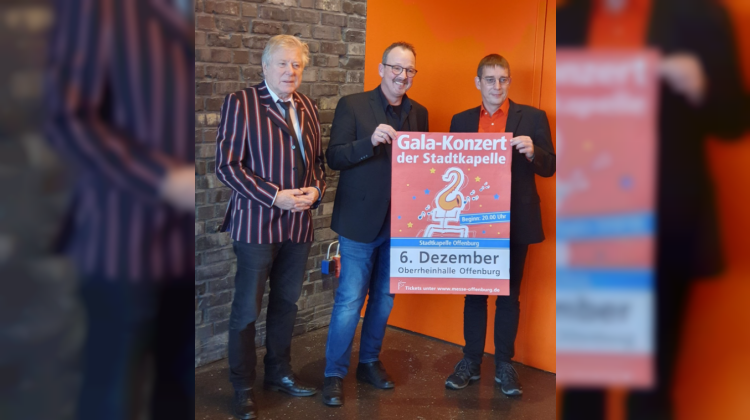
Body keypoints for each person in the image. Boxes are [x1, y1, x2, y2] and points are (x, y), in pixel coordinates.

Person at [558, 0, 748, 418]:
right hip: (589, 221)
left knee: (652, 387)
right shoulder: (567, 21)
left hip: (665, 223)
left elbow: (735, 119)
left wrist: (703, 85)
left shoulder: (698, 16)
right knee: (584, 383)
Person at [45, 1, 195, 419]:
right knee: (113, 395)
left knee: (179, 395)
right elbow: (68, 118)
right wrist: (163, 179)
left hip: (185, 251)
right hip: (121, 242)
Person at [215, 34, 326, 420]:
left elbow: (318, 164)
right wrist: (274, 195)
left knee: (286, 305)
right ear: (265, 66)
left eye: (296, 64)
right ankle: (243, 387)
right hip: (255, 225)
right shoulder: (241, 103)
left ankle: (278, 373)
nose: (290, 71)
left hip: (298, 226)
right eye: (282, 63)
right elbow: (226, 166)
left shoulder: (308, 106)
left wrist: (316, 190)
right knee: (247, 310)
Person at [321, 42, 429, 407]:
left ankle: (368, 362)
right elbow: (334, 157)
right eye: (396, 67)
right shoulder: (352, 105)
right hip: (359, 221)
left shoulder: (419, 113)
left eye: (409, 70)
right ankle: (334, 373)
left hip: (401, 224)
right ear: (381, 69)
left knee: (384, 299)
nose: (402, 75)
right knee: (349, 301)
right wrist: (369, 141)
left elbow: (423, 168)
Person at [444, 54, 556, 395]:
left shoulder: (533, 118)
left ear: (509, 81)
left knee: (509, 294)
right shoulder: (461, 120)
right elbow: (447, 165)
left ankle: (504, 364)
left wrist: (533, 151)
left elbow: (550, 166)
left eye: (503, 79)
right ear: (478, 82)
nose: (497, 86)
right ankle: (471, 361)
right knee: (475, 293)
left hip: (515, 218)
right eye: (490, 79)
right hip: (473, 220)